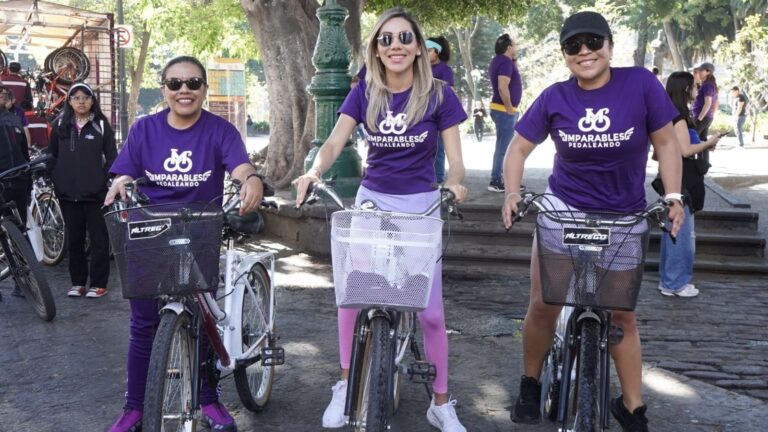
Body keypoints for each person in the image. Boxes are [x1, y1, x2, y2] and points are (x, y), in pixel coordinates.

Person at [500, 11, 684, 432]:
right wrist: (511, 193)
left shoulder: (640, 83)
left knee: (622, 316)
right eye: (573, 45)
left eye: (593, 42)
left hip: (624, 216)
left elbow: (666, 143)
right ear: (565, 54)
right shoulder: (554, 97)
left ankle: (632, 407)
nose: (584, 51)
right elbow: (518, 148)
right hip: (564, 210)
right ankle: (530, 383)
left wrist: (673, 196)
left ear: (610, 46)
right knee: (545, 303)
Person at [293, 8, 469, 432]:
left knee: (430, 313)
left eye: (405, 38)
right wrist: (314, 172)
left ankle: (440, 403)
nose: (395, 46)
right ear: (375, 48)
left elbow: (457, 162)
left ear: (419, 47)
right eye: (385, 39)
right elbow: (334, 142)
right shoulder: (365, 92)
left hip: (421, 205)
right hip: (372, 202)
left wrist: (455, 184)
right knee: (354, 294)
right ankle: (345, 383)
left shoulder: (440, 95)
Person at [104, 56, 266, 432]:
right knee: (142, 324)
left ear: (204, 88)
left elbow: (240, 166)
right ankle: (134, 407)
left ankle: (208, 399)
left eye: (193, 83)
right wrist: (120, 182)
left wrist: (251, 179)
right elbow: (125, 171)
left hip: (200, 233)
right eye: (175, 84)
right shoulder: (144, 129)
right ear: (164, 88)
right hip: (150, 233)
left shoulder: (220, 130)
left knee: (204, 318)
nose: (184, 91)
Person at [48, 82, 117, 299]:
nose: (81, 102)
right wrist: (57, 179)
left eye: (86, 98)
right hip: (68, 195)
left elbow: (112, 158)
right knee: (74, 241)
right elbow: (52, 156)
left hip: (96, 195)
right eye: (76, 98)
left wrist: (103, 181)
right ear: (69, 101)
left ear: (92, 101)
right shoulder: (60, 124)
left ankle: (98, 284)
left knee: (99, 241)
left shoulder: (101, 125)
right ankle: (77, 283)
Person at [657, 72, 721, 298]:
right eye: (695, 87)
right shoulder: (679, 118)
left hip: (673, 178)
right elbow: (685, 151)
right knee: (681, 233)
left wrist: (704, 144)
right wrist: (709, 142)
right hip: (681, 179)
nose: (697, 90)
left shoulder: (668, 115)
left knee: (672, 232)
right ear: (686, 89)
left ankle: (669, 280)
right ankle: (676, 283)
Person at [0, 85, 31, 298]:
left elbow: (23, 154)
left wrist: (28, 183)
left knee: (20, 232)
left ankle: (24, 279)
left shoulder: (14, 120)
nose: (2, 97)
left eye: (4, 95)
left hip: (18, 182)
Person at [488, 33, 522, 192]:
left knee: (503, 147)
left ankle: (504, 181)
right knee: (505, 149)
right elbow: (503, 87)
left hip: (501, 109)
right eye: (514, 45)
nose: (516, 48)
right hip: (504, 110)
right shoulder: (505, 61)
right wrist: (509, 108)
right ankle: (496, 181)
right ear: (509, 48)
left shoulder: (501, 61)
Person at [427, 36, 454, 184]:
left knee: (438, 148)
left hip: (438, 114)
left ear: (437, 52)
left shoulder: (445, 70)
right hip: (423, 114)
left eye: (429, 50)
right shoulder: (421, 69)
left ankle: (438, 179)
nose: (425, 53)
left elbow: (450, 92)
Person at [691, 62, 718, 141]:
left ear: (708, 72)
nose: (699, 72)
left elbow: (708, 103)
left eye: (701, 70)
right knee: (702, 141)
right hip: (705, 117)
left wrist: (699, 119)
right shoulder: (706, 84)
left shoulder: (707, 85)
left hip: (702, 117)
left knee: (692, 139)